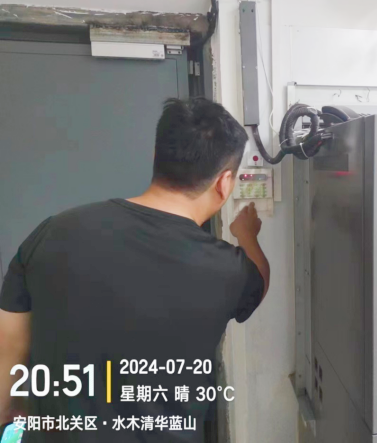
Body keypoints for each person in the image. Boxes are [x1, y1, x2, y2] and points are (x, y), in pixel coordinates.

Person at [0, 97, 270, 442]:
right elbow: (259, 280)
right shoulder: (229, 270)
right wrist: (246, 235)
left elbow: (9, 348)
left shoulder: (51, 232)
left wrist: (8, 414)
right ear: (225, 182)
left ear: (156, 157)